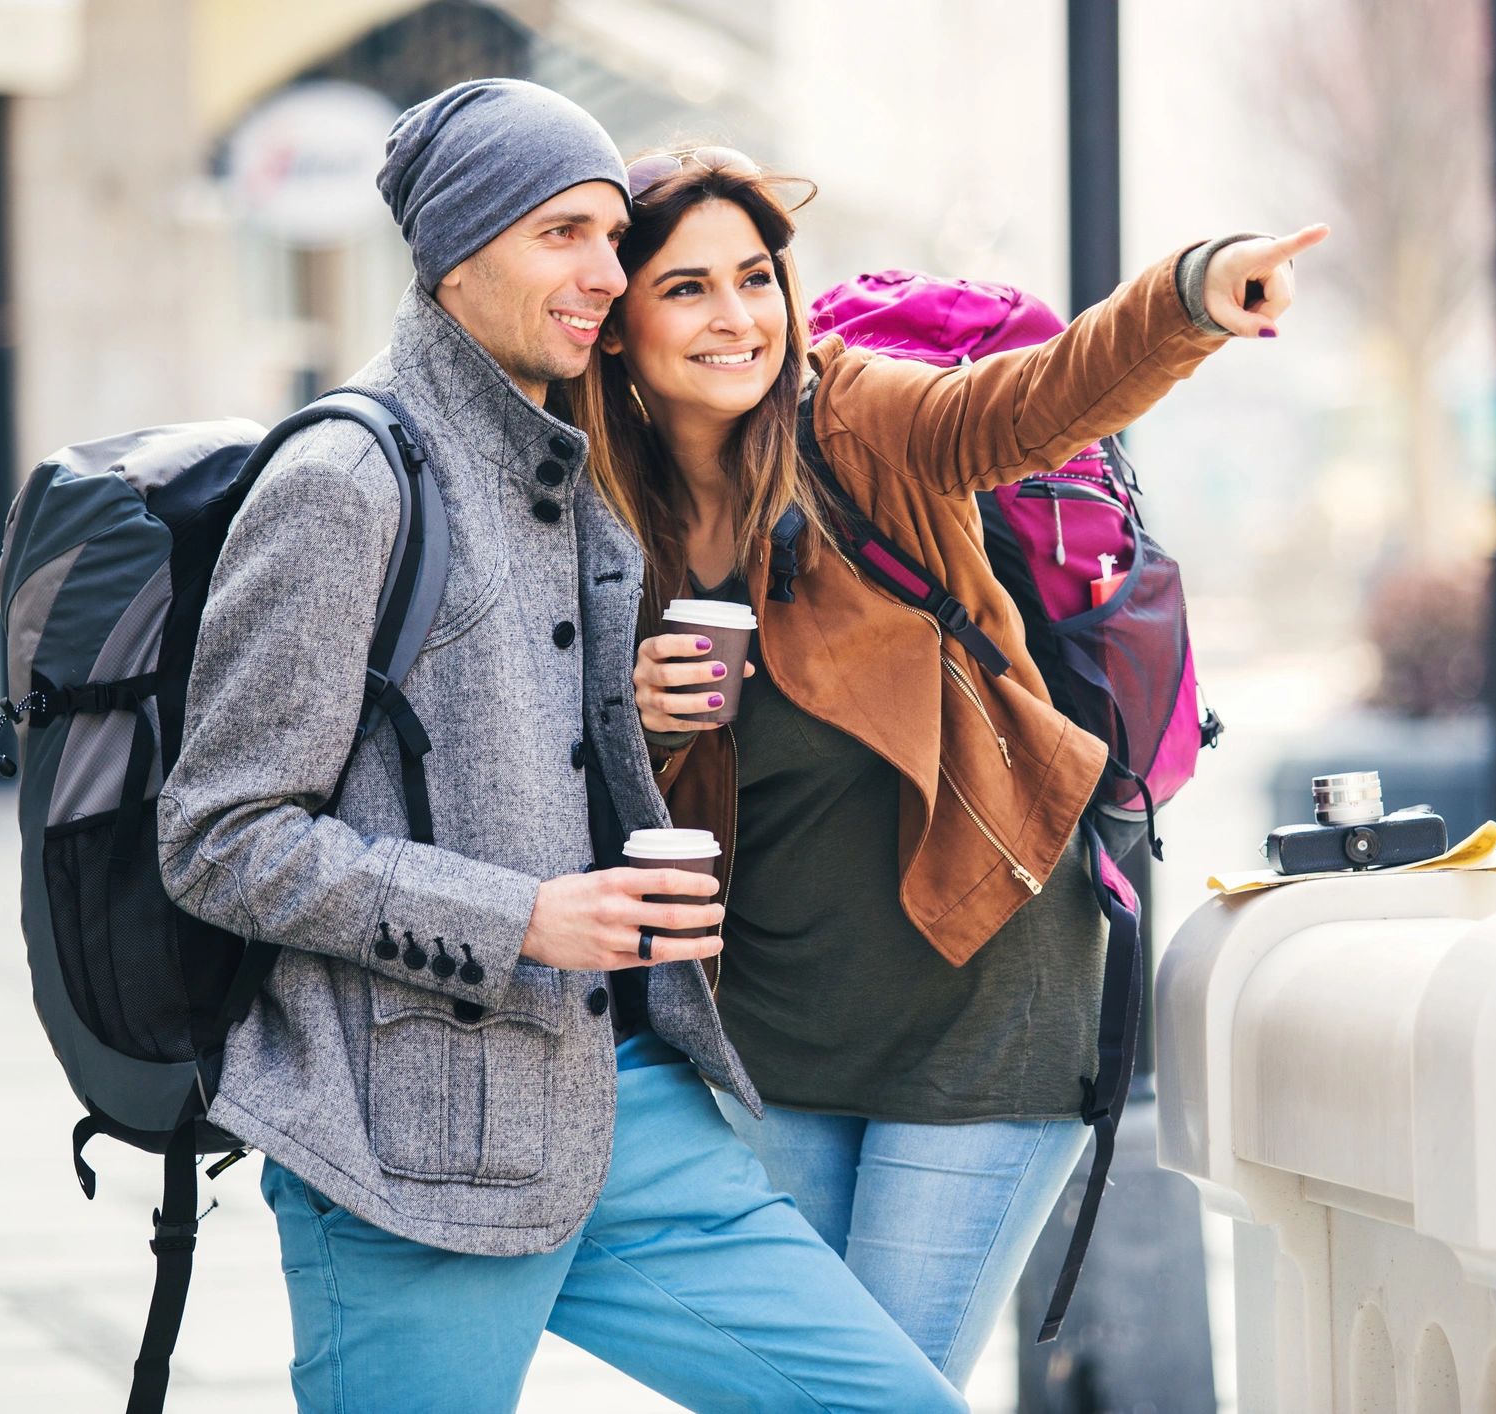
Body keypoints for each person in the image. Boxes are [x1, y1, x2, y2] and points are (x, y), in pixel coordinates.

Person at [158, 82, 963, 1413]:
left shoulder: (566, 467)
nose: (608, 271)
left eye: (609, 233)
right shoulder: (343, 481)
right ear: (455, 252)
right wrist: (522, 913)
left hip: (627, 1101)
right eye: (561, 235)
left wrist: (632, 727)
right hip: (413, 1145)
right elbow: (222, 838)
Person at [572, 145, 1324, 1385]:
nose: (737, 318)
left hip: (986, 1000)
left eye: (756, 278)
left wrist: (1190, 296)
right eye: (688, 288)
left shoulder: (857, 420)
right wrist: (642, 712)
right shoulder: (605, 514)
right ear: (618, 327)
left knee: (878, 1389)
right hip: (774, 1033)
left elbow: (1031, 402)